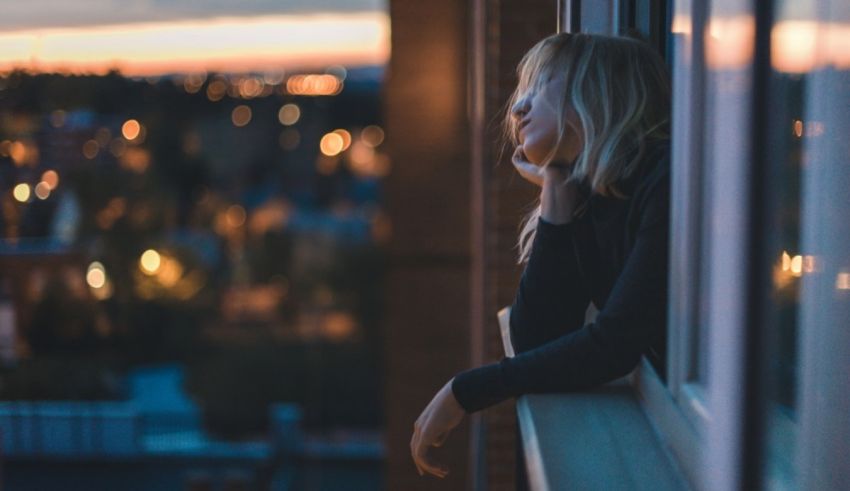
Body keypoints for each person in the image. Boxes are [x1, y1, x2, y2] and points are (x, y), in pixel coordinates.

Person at [409, 32, 672, 479]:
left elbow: (615, 344)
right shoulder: (602, 196)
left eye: (542, 85)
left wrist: (465, 391)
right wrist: (556, 196)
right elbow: (537, 338)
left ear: (597, 93)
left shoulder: (665, 184)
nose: (517, 109)